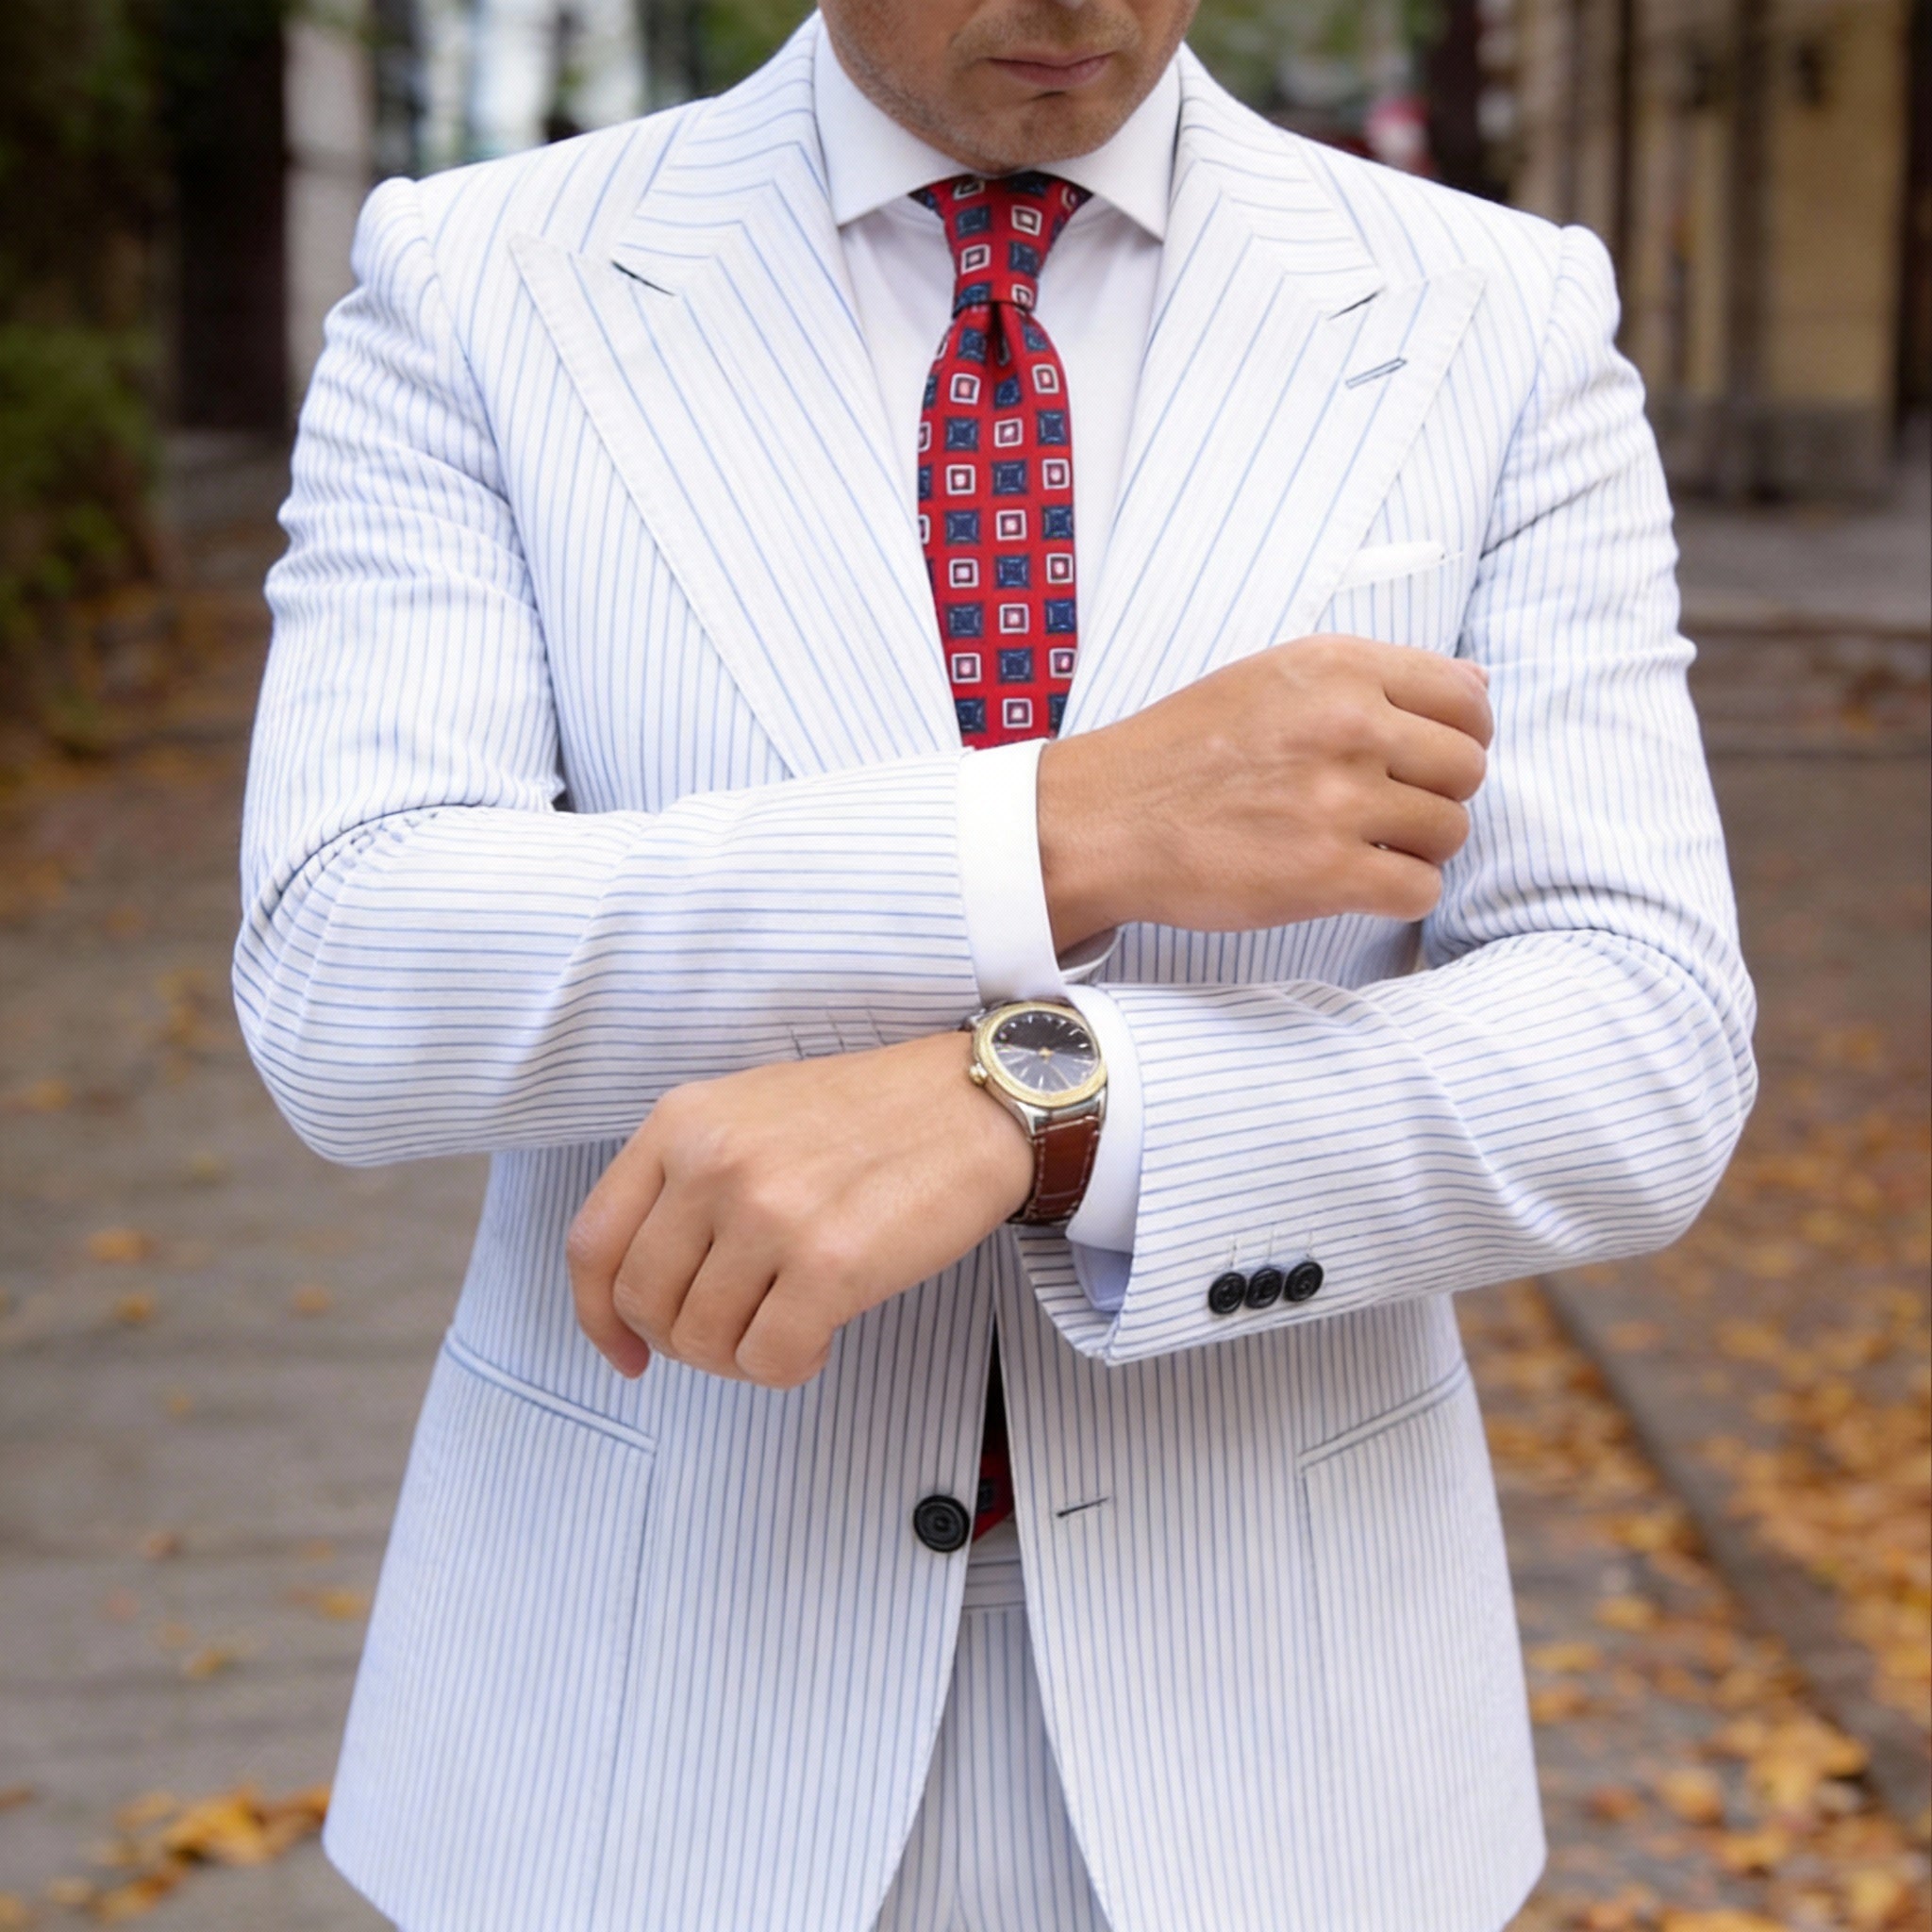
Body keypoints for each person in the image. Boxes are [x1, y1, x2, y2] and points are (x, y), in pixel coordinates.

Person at [234, 1, 1757, 1926]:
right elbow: (348, 971)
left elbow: (1637, 1046)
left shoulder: (1491, 312)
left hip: (1284, 1748)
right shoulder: (479, 282)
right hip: (635, 1732)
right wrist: (1057, 830)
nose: (1079, 7)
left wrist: (1039, 1101)